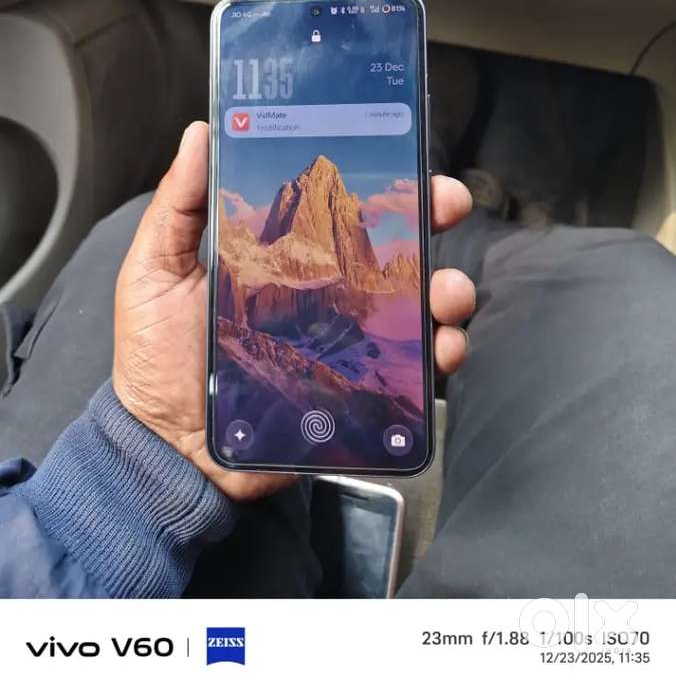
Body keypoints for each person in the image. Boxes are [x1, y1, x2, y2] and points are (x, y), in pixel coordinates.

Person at [2, 106, 676, 598]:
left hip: (72, 521)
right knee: (625, 275)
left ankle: (447, 186)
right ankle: (484, 209)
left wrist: (140, 461)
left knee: (138, 225)